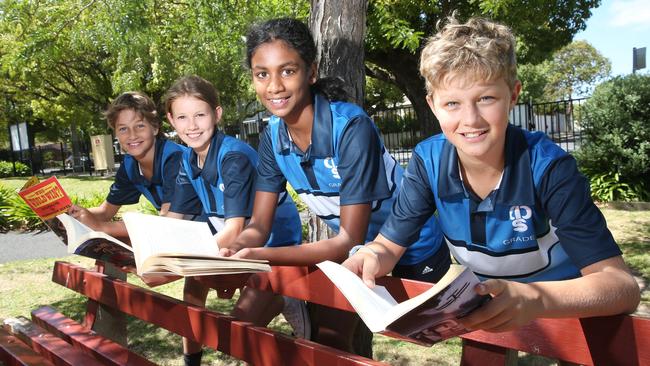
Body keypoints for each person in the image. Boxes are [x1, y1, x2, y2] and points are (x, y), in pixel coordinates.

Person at [343, 16, 640, 333]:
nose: (470, 119)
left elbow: (621, 287)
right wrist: (371, 255)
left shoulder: (548, 167)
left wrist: (535, 298)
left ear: (513, 94)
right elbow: (389, 247)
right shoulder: (428, 162)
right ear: (432, 105)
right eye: (452, 103)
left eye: (486, 99)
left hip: (563, 308)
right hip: (485, 309)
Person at [223, 18, 450, 355]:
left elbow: (348, 240)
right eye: (262, 74)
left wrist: (259, 256)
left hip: (412, 253)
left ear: (311, 72)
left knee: (346, 333)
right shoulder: (271, 135)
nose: (274, 86)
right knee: (327, 337)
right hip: (357, 258)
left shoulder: (350, 126)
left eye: (287, 71)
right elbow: (258, 226)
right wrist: (230, 250)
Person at [161, 75, 303, 366]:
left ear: (217, 114)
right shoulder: (188, 160)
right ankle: (192, 361)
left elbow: (235, 228)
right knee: (194, 290)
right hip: (237, 249)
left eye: (200, 115)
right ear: (171, 121)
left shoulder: (233, 157)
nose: (192, 125)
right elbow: (174, 220)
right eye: (183, 117)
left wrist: (192, 261)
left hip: (274, 247)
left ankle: (286, 298)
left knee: (240, 333)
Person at [69, 91, 193, 238]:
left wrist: (102, 227)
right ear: (115, 133)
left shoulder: (175, 158)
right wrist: (73, 215)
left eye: (140, 126)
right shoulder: (130, 165)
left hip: (208, 232)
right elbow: (105, 212)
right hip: (180, 232)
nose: (132, 135)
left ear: (155, 128)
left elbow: (167, 221)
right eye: (123, 129)